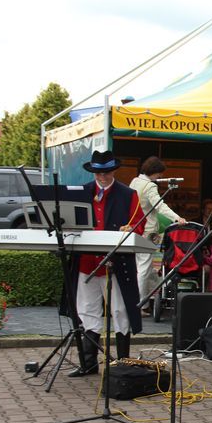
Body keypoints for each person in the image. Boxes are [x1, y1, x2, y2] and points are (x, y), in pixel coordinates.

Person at [63, 150, 145, 376]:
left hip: (116, 265)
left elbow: (139, 225)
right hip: (87, 263)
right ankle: (89, 363)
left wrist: (130, 228)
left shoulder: (129, 195)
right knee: (87, 310)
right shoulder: (83, 193)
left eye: (106, 172)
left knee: (120, 311)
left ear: (113, 171)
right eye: (98, 173)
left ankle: (122, 364)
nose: (102, 177)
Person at [129, 156, 186, 312]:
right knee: (144, 269)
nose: (160, 177)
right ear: (154, 172)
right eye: (159, 174)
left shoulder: (134, 182)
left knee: (139, 267)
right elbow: (160, 206)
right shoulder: (150, 187)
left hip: (134, 229)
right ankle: (142, 305)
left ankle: (141, 299)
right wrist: (177, 217)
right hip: (147, 230)